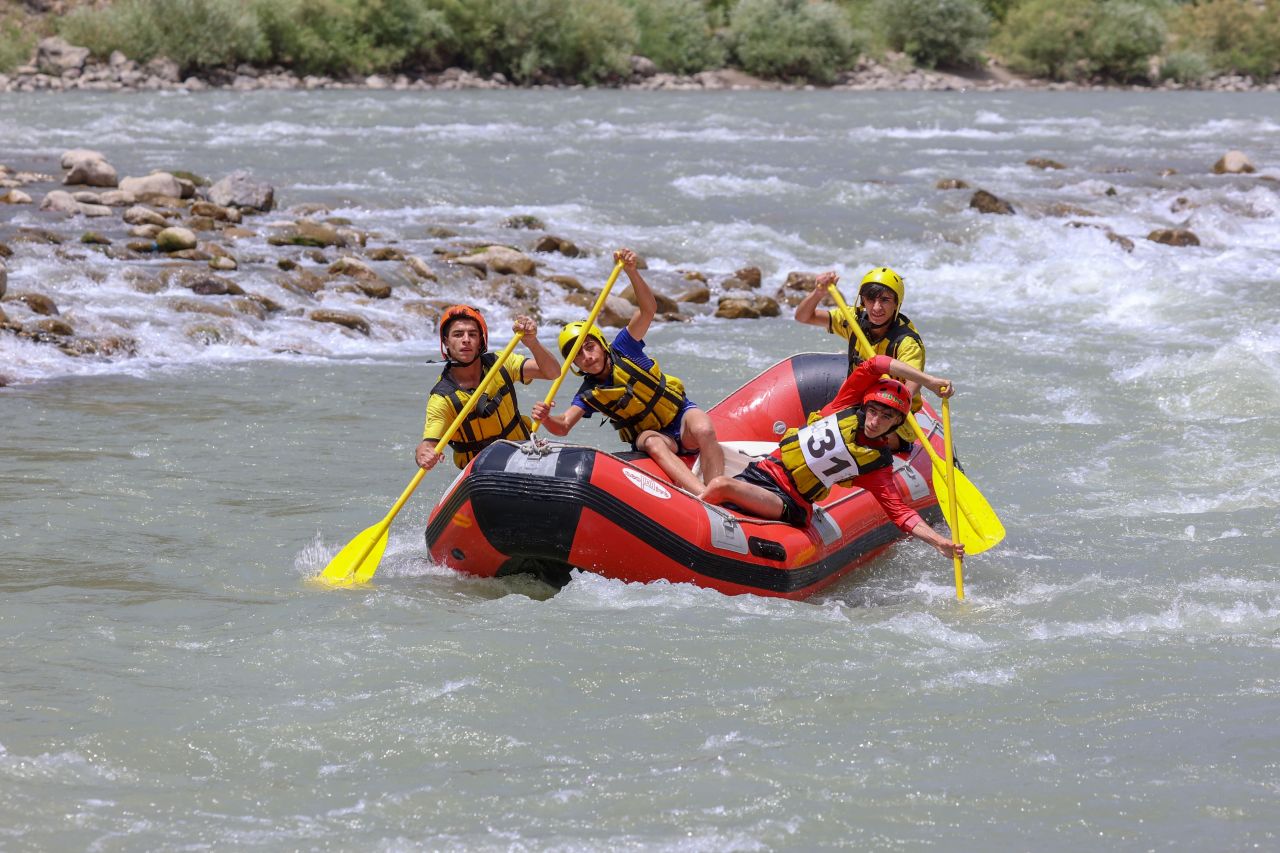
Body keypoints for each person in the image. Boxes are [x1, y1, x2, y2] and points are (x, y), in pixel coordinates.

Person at [701, 353, 963, 560]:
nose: (875, 421)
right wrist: (928, 381)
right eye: (873, 411)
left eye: (886, 418)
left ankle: (699, 518)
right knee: (723, 489)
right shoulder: (841, 406)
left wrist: (938, 541)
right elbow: (875, 364)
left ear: (896, 425)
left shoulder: (875, 465)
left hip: (790, 500)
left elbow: (901, 513)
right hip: (761, 472)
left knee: (720, 485)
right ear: (864, 406)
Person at [530, 248, 725, 497]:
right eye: (577, 355)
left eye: (589, 347)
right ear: (575, 365)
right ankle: (705, 497)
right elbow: (564, 425)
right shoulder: (589, 393)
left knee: (705, 429)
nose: (587, 357)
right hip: (654, 436)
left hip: (680, 418)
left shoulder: (625, 347)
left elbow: (648, 310)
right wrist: (547, 418)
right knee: (652, 442)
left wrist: (631, 271)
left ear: (601, 344)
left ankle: (718, 488)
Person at [416, 305, 561, 471]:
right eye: (458, 334)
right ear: (446, 342)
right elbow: (427, 444)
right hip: (482, 472)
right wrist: (423, 454)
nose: (466, 339)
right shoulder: (442, 398)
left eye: (472, 334)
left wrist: (532, 342)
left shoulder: (502, 363)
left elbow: (553, 372)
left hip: (524, 454)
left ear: (480, 342)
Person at [795, 267, 927, 435]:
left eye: (885, 300)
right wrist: (819, 293)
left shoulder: (907, 342)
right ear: (863, 300)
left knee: (865, 433)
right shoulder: (852, 320)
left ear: (896, 304)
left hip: (894, 412)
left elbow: (912, 385)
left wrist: (877, 417)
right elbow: (803, 317)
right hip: (858, 401)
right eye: (871, 300)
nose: (877, 308)